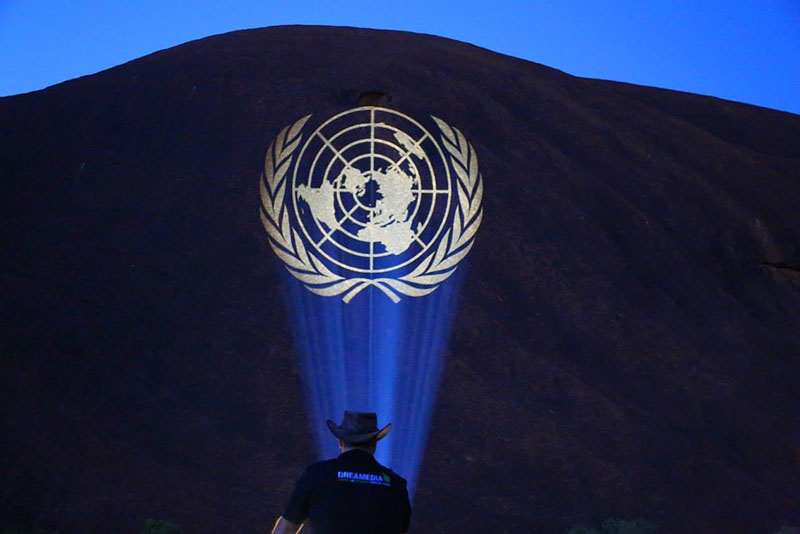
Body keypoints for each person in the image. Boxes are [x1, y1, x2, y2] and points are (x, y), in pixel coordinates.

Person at [271, 411, 411, 533]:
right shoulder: (396, 484)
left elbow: (285, 530)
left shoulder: (317, 474)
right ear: (374, 444)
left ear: (341, 442)